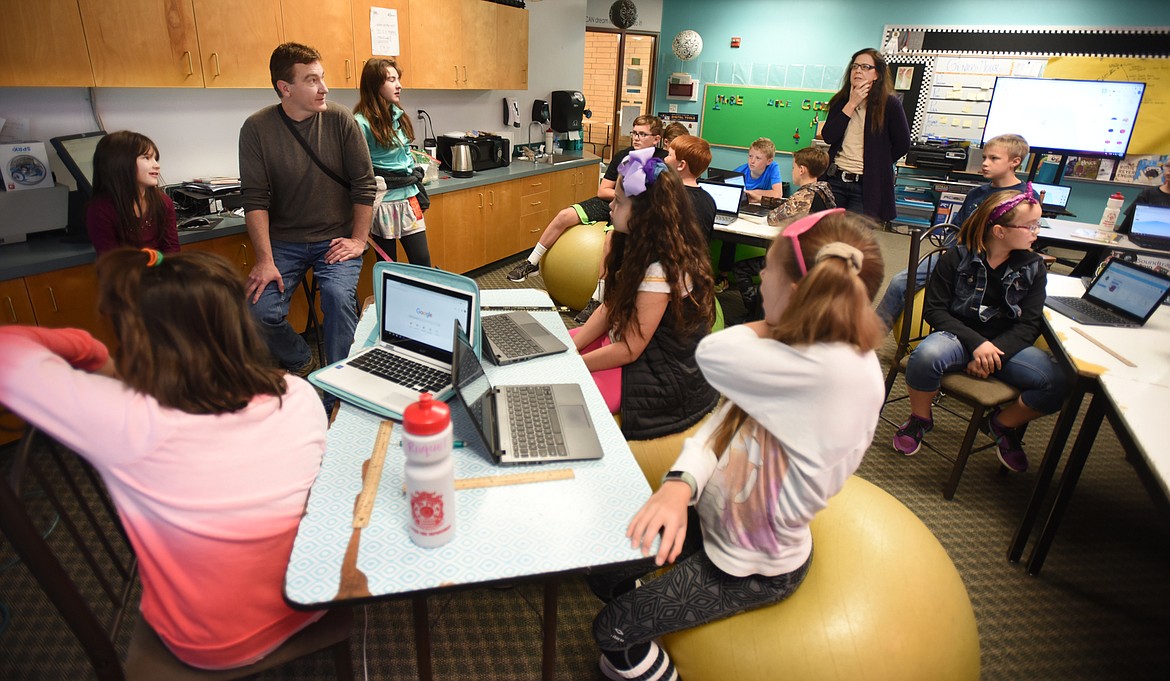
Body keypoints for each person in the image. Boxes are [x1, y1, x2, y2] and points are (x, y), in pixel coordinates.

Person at [588, 209, 886, 681]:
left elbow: (712, 352)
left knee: (612, 631)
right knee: (603, 570)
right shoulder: (800, 349)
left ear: (793, 294)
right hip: (709, 517)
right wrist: (680, 485)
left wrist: (782, 323)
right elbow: (723, 423)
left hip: (750, 564)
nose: (760, 276)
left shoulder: (840, 374)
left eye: (768, 268)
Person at [0, 248, 329, 671]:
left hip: (208, 644)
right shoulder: (297, 394)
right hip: (308, 604)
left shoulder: (124, 420)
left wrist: (91, 350)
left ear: (138, 338)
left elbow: (7, 350)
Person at [893, 187, 1068, 473]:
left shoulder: (1034, 266)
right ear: (999, 231)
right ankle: (920, 419)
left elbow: (1029, 323)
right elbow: (934, 310)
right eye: (1031, 226)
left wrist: (993, 354)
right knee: (924, 357)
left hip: (1004, 347)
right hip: (959, 336)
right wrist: (977, 345)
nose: (1037, 232)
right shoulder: (958, 256)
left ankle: (1001, 423)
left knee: (1060, 381)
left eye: (1038, 224)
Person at [239, 42, 376, 379]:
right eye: (312, 80)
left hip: (336, 238)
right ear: (285, 88)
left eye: (322, 77)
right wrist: (264, 260)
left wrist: (359, 241)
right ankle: (300, 359)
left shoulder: (341, 120)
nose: (324, 88)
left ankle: (340, 387)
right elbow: (254, 199)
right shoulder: (257, 129)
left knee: (338, 299)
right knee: (257, 312)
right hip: (284, 242)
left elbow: (364, 184)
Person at [571, 147, 719, 441]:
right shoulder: (631, 241)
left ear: (644, 215)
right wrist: (571, 351)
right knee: (562, 346)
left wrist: (572, 365)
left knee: (573, 395)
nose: (611, 206)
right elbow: (609, 306)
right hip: (631, 340)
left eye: (619, 202)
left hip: (660, 368)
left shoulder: (663, 268)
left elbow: (630, 350)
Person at [875, 134, 1032, 326]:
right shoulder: (976, 193)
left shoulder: (1023, 199)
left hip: (991, 265)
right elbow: (955, 229)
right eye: (984, 157)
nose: (985, 163)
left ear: (1015, 162)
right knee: (900, 282)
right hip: (957, 255)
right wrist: (949, 258)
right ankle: (870, 336)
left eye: (994, 159)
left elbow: (1023, 242)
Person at [506, 115, 665, 293]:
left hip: (637, 210)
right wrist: (624, 197)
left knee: (610, 240)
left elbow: (665, 196)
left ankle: (598, 296)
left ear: (656, 139)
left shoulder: (663, 161)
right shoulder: (623, 156)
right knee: (564, 215)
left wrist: (635, 201)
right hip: (613, 202)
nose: (636, 138)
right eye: (634, 133)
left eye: (642, 134)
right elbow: (603, 191)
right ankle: (532, 262)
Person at [733, 145, 838, 318]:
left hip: (798, 260)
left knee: (741, 269)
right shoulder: (822, 189)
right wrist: (762, 199)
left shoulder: (805, 196)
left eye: (793, 167)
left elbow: (773, 218)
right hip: (817, 255)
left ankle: (754, 314)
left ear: (802, 170)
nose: (792, 171)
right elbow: (791, 204)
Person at [354, 57, 431, 266]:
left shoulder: (398, 114)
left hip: (409, 197)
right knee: (389, 265)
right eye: (391, 80)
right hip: (383, 200)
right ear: (374, 84)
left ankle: (423, 299)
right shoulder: (361, 123)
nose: (399, 85)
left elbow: (406, 153)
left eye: (398, 79)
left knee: (422, 260)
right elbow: (358, 168)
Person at [821, 47, 911, 222]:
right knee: (827, 237)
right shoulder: (841, 101)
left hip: (866, 186)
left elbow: (902, 144)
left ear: (877, 74)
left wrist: (878, 162)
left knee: (853, 241)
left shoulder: (890, 105)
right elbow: (828, 136)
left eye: (865, 67)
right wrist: (851, 104)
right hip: (835, 180)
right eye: (855, 67)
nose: (858, 71)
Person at [86, 130, 179, 254]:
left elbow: (172, 250)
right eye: (147, 158)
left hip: (161, 272)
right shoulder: (101, 210)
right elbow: (111, 262)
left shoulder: (163, 202)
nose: (156, 165)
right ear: (121, 162)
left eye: (155, 159)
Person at [664, 134, 717, 239]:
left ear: (681, 165)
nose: (665, 159)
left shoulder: (668, 196)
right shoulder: (709, 200)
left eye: (669, 155)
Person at [734, 137, 784, 202]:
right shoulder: (739, 172)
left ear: (769, 161)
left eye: (758, 158)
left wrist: (752, 193)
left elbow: (778, 194)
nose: (752, 161)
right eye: (750, 156)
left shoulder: (773, 167)